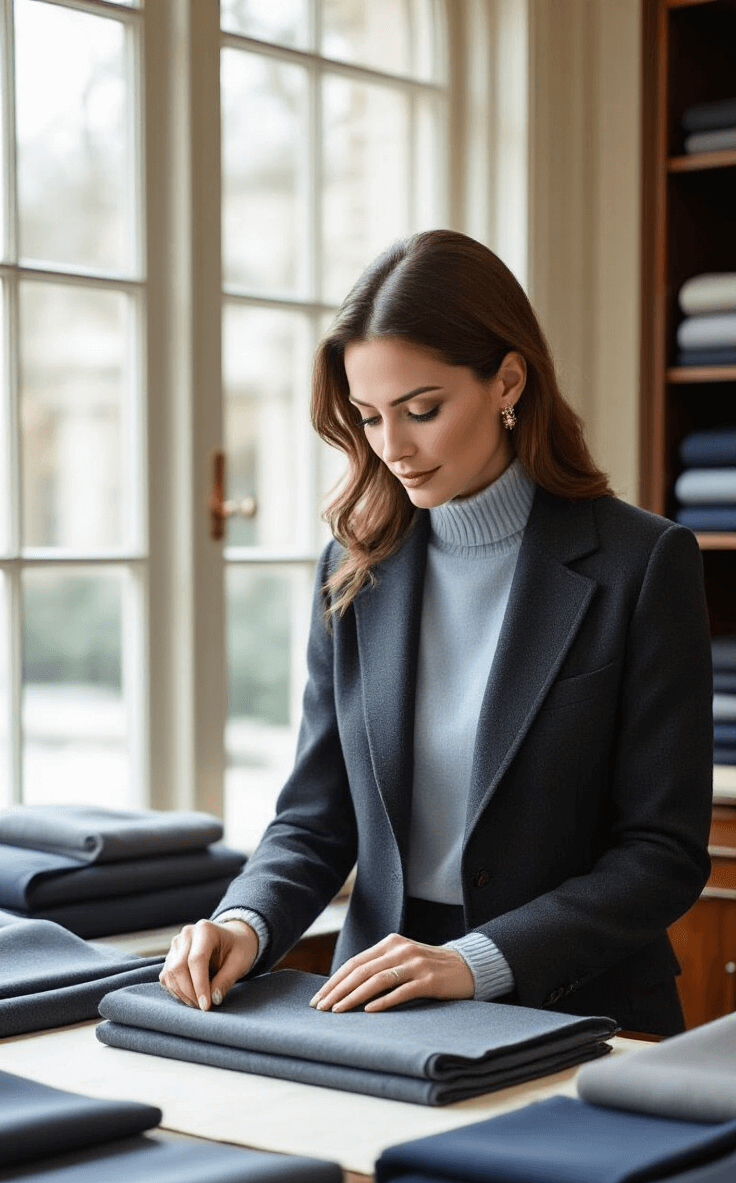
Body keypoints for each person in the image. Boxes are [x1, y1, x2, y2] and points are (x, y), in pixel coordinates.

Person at [160, 229, 713, 1035]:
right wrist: (244, 921)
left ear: (508, 381)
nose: (393, 449)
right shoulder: (353, 567)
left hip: (583, 1011)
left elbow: (661, 855)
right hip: (376, 1004)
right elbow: (316, 817)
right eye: (369, 417)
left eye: (422, 410)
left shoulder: (643, 562)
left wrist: (476, 960)